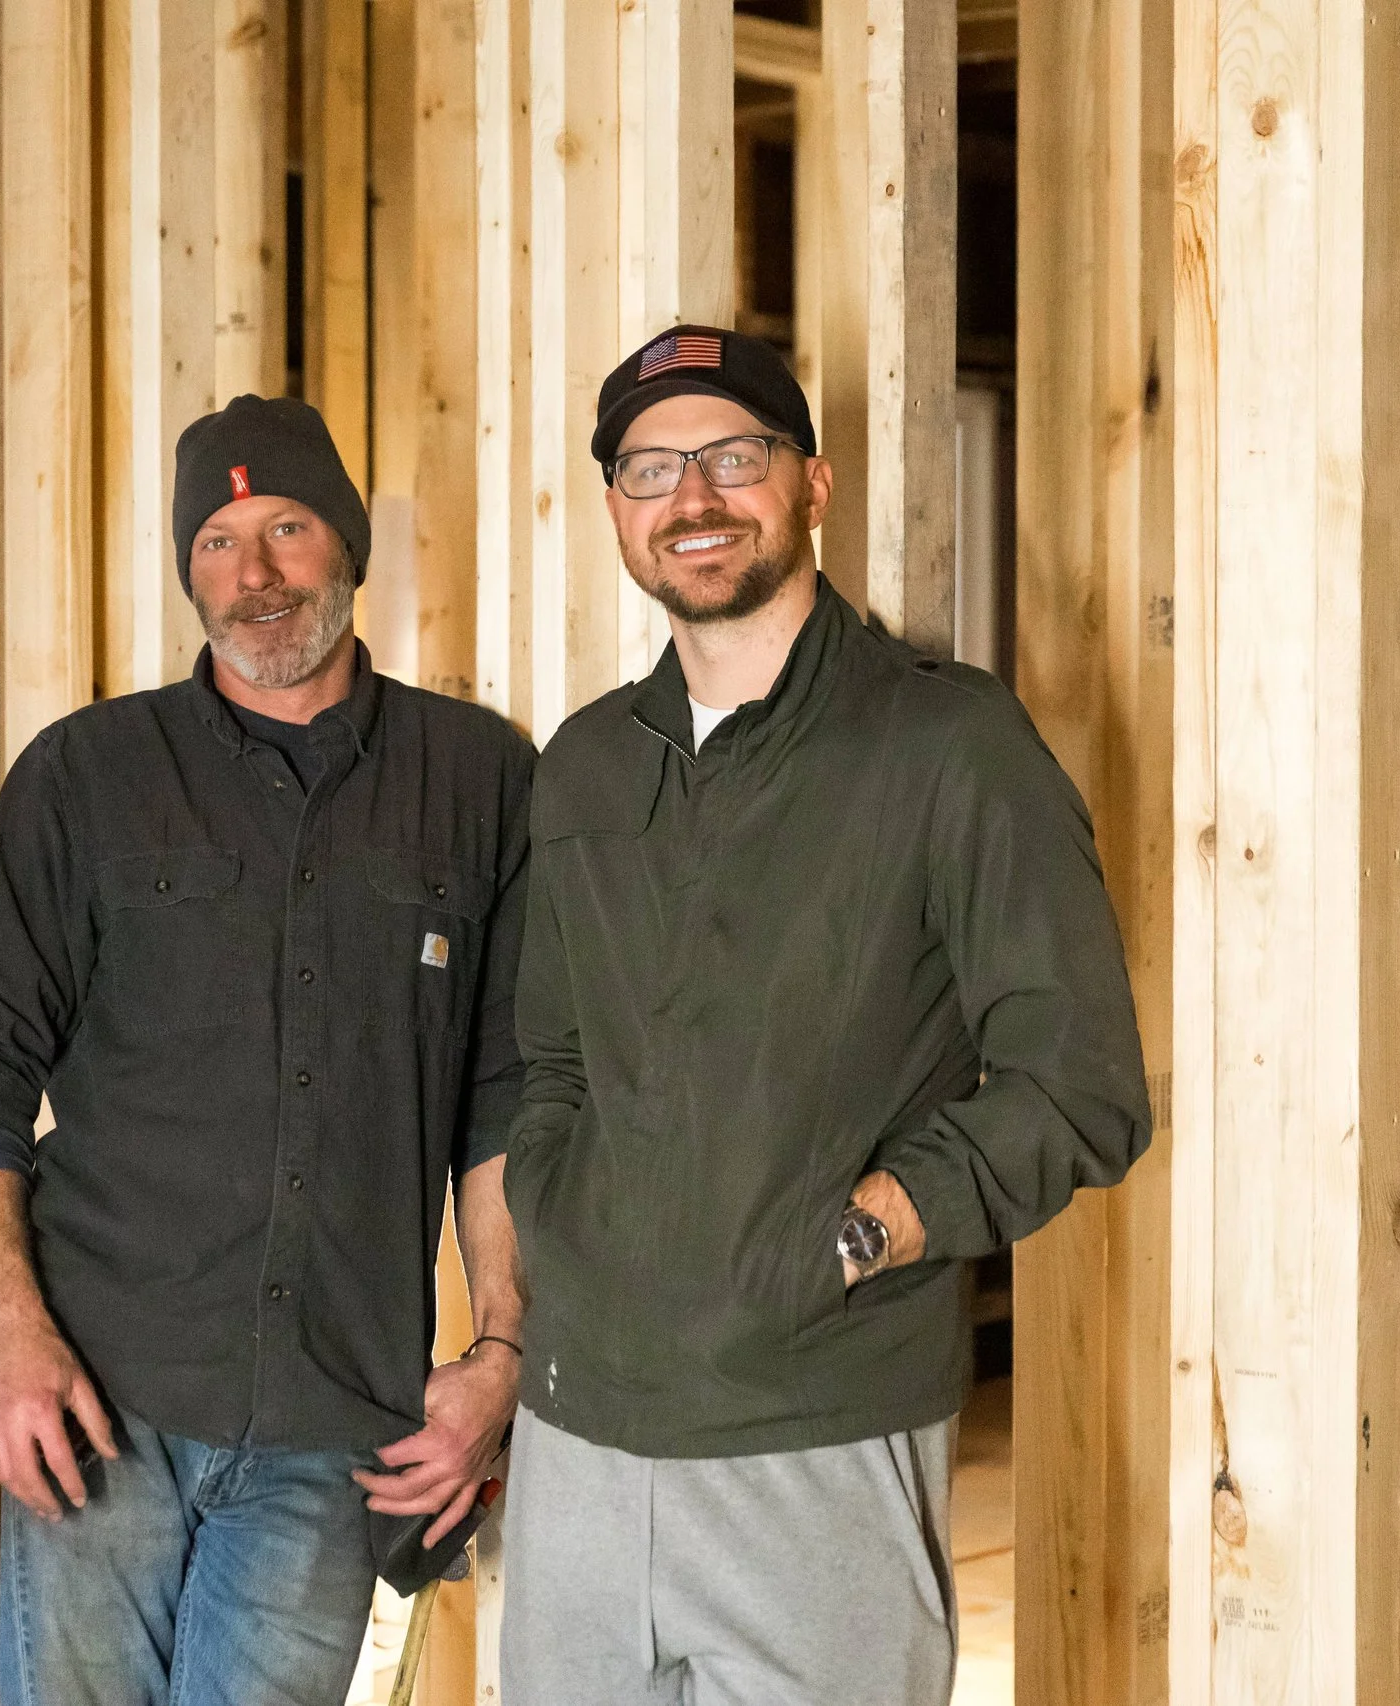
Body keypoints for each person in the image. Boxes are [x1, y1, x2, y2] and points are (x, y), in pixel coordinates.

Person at [498, 326, 1152, 1706]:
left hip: (819, 1436)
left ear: (813, 485)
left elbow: (1080, 1085)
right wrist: (568, 1225)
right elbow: (546, 1058)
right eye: (652, 466)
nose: (694, 497)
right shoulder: (585, 769)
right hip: (580, 1439)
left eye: (736, 456)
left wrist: (859, 1235)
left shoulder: (949, 746)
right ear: (617, 504)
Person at [0, 394, 534, 1706]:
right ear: (189, 570)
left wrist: (501, 1356)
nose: (255, 575)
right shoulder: (85, 777)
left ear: (346, 543)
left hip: (334, 1416)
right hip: (98, 1399)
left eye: (287, 526)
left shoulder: (479, 781)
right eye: (218, 542)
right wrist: (7, 1330)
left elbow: (508, 1099)